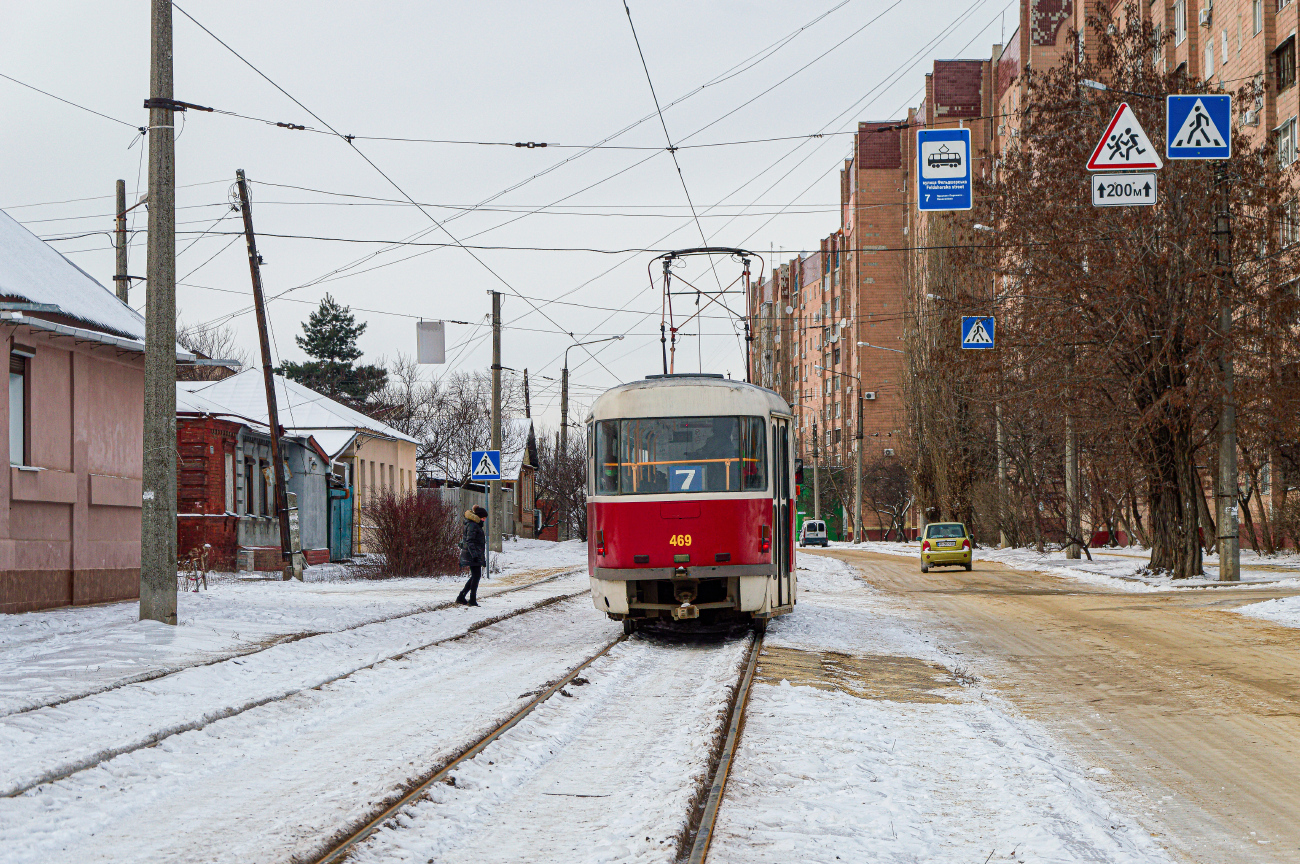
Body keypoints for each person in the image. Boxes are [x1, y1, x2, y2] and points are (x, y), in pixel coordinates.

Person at [456, 505, 489, 606]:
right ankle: (471, 599)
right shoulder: (473, 525)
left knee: (475, 576)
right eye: (483, 518)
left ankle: (461, 597)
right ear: (479, 517)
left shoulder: (475, 525)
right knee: (476, 576)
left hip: (474, 554)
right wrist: (475, 555)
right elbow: (470, 541)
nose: (484, 520)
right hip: (472, 555)